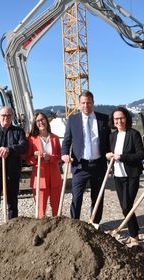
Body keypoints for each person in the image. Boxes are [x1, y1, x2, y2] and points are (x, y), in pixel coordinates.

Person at [61, 91, 111, 228]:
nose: (86, 105)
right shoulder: (73, 120)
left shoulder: (103, 119)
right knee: (77, 196)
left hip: (99, 164)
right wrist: (65, 153)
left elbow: (108, 140)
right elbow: (66, 141)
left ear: (93, 103)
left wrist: (110, 153)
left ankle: (95, 223)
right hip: (80, 165)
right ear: (79, 104)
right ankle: (75, 224)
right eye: (83, 103)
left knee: (98, 197)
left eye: (88, 102)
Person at [106, 107, 144, 246]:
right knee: (124, 206)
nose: (119, 121)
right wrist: (108, 155)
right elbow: (109, 152)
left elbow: (141, 155)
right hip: (118, 175)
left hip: (132, 175)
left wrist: (122, 157)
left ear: (126, 118)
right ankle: (134, 233)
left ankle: (134, 235)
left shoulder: (133, 134)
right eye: (116, 118)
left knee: (127, 206)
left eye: (121, 118)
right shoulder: (112, 136)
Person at [25, 112, 62, 218]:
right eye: (38, 121)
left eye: (43, 119)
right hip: (40, 178)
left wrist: (50, 158)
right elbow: (27, 160)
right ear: (35, 124)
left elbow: (59, 157)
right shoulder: (32, 139)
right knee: (40, 210)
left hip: (55, 177)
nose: (41, 122)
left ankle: (58, 228)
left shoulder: (55, 138)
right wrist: (35, 157)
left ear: (47, 120)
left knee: (57, 207)